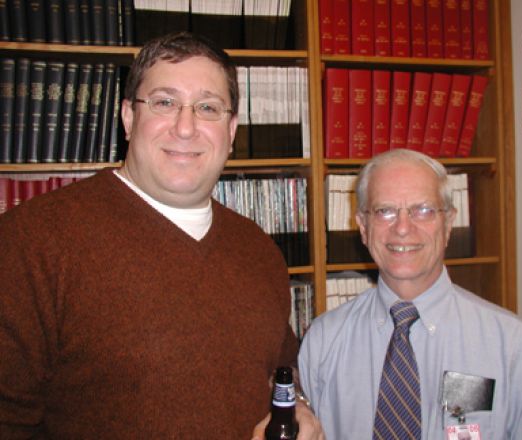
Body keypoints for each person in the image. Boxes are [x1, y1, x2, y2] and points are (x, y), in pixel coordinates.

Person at [0, 32, 322, 439]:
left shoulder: (257, 248)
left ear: (232, 129)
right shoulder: (31, 242)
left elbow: (281, 367)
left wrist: (302, 410)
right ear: (129, 118)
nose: (185, 128)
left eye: (208, 107)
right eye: (164, 103)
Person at [298, 148, 522, 439]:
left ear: (449, 223)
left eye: (424, 210)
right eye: (385, 211)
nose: (403, 228)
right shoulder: (324, 341)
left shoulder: (512, 346)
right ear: (364, 227)